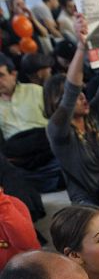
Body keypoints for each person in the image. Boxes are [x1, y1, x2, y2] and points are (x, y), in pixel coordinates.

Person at [44, 14, 99, 206]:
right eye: (77, 96)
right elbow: (71, 92)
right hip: (88, 203)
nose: (83, 97)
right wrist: (81, 46)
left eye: (82, 93)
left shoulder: (91, 116)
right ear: (57, 103)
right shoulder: (57, 130)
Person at [0, 52, 62, 193]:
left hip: (45, 147)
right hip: (19, 155)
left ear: (14, 74)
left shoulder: (36, 91)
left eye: (1, 75)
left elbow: (56, 121)